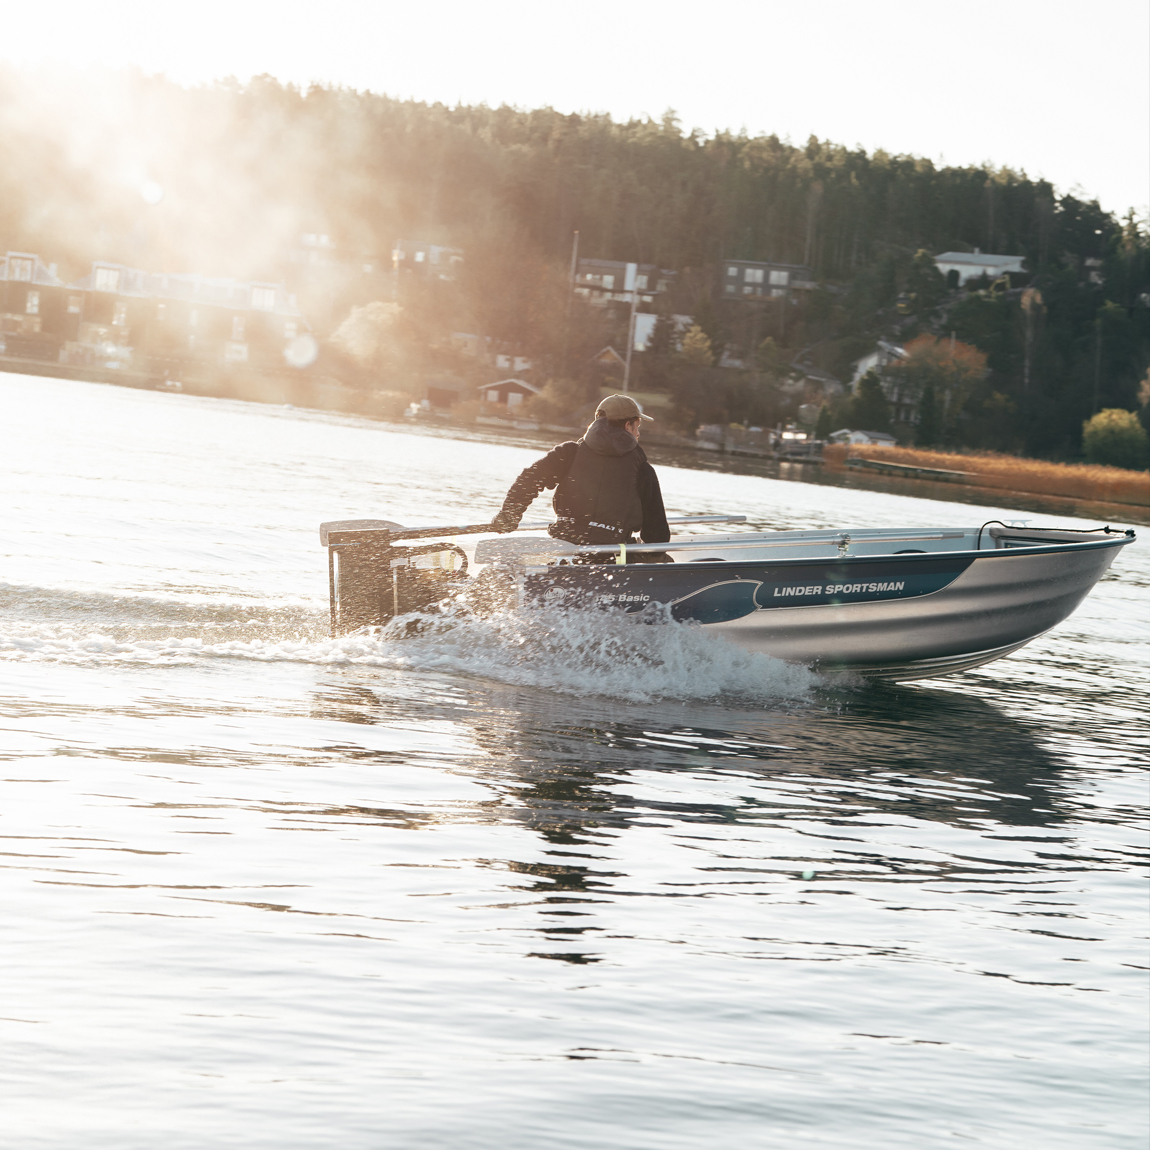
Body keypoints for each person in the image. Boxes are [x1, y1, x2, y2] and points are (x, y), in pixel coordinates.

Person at [490, 393, 670, 553]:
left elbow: (528, 480)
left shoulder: (568, 453)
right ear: (628, 425)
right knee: (664, 560)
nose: (638, 434)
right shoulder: (643, 470)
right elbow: (657, 537)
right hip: (612, 557)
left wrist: (509, 516)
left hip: (564, 550)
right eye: (638, 427)